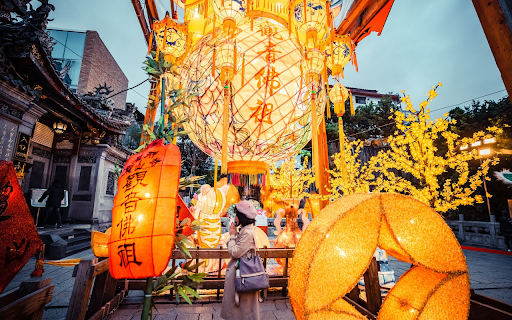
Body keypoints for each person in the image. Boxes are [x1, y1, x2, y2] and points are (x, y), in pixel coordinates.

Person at [221, 200, 261, 320]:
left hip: (243, 274)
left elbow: (235, 252)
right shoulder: (245, 230)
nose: (235, 218)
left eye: (236, 215)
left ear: (241, 217)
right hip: (241, 273)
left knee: (243, 307)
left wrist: (232, 235)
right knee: (240, 306)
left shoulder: (247, 233)